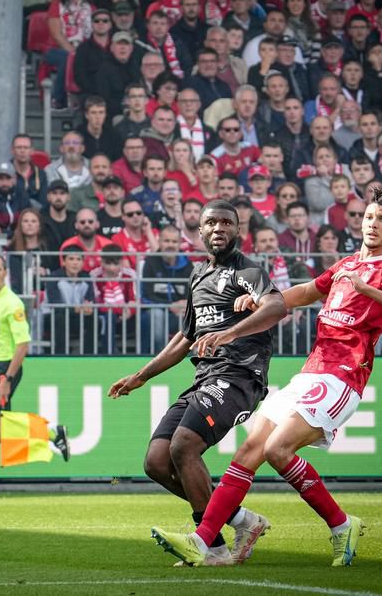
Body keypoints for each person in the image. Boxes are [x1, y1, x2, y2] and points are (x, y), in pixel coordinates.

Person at [152, 189, 382, 568]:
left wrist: (368, 291)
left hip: (343, 376)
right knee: (249, 451)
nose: (373, 224)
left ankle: (341, 524)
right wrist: (263, 300)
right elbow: (306, 292)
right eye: (369, 217)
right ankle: (204, 543)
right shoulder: (346, 265)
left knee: (277, 449)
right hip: (311, 372)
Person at [111, 200, 286, 566]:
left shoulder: (248, 272)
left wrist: (229, 333)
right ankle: (242, 520)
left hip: (239, 377)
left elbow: (276, 307)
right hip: (204, 378)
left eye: (226, 223)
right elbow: (184, 338)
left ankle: (212, 547)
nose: (219, 228)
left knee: (184, 446)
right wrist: (141, 376)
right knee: (156, 462)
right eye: (212, 223)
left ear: (238, 230)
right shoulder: (198, 275)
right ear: (200, 231)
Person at [0, 254, 70, 495]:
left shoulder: (13, 304)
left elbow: (23, 346)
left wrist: (7, 379)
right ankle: (53, 434)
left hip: (5, 370)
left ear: (5, 273)